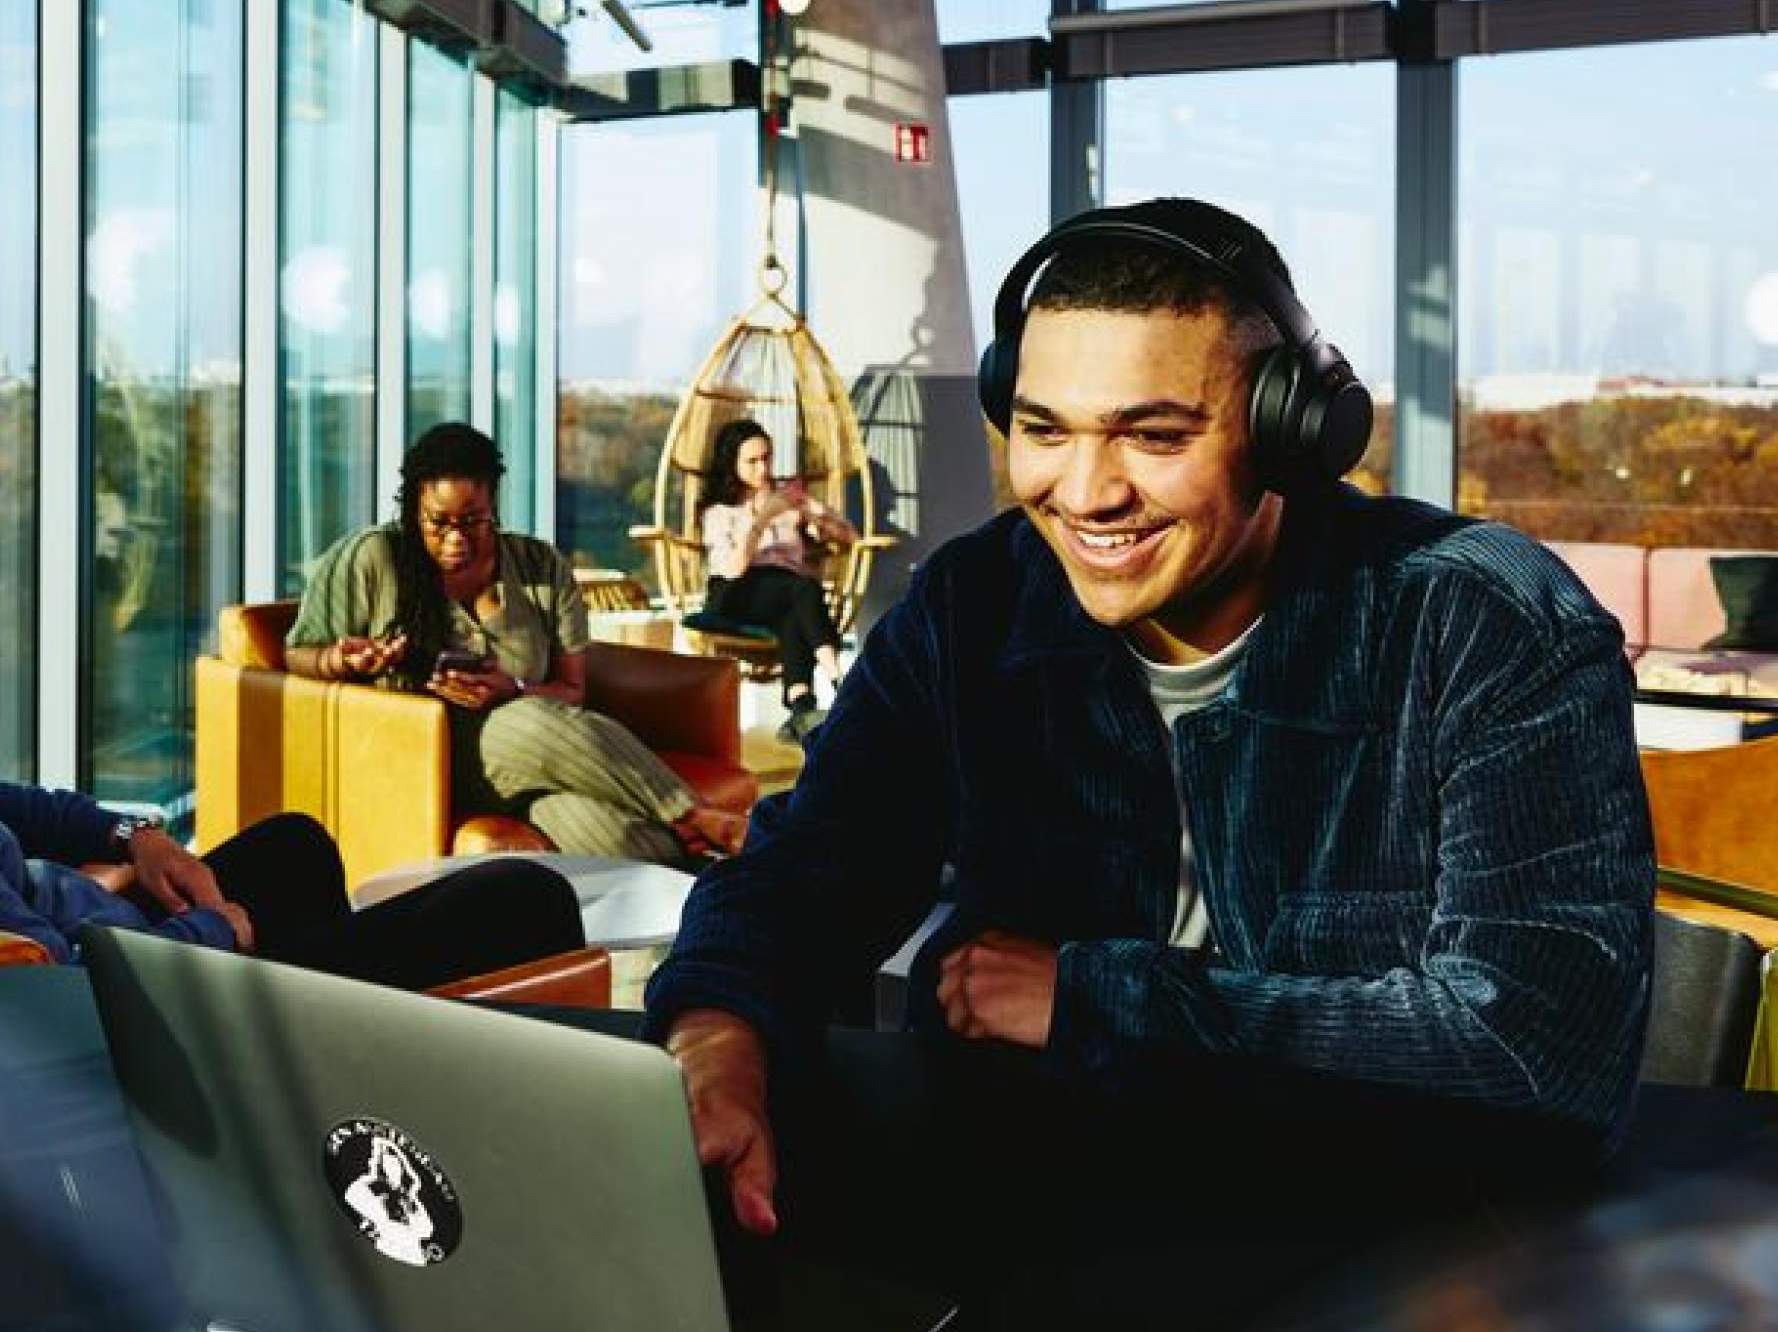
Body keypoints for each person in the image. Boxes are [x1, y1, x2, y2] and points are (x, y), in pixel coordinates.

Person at [645, 198, 1654, 1318]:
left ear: (1291, 431)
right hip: (1031, 1224)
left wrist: (1095, 998)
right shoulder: (974, 606)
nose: (1085, 493)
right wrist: (714, 1034)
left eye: (1156, 436)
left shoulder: (1485, 622)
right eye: (1045, 428)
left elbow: (1534, 1053)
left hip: (1378, 1253)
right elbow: (804, 873)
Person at [0, 437, 583, 990]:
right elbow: (66, 1002)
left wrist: (134, 834)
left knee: (296, 845)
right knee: (527, 894)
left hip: (136, 946)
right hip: (171, 1012)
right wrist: (216, 932)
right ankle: (321, 1042)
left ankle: (347, 1040)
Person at [285, 422, 746, 864]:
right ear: (412, 508)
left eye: (473, 520)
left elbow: (573, 691)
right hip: (425, 751)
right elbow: (295, 654)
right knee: (526, 721)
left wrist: (514, 689)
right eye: (438, 522)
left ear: (494, 506)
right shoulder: (373, 558)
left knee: (617, 837)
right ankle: (699, 816)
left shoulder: (539, 567)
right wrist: (339, 660)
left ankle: (715, 892)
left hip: (534, 760)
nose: (455, 538)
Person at [693, 418, 853, 740]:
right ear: (732, 464)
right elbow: (735, 568)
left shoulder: (789, 499)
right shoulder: (719, 512)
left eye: (766, 458)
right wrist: (764, 517)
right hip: (733, 593)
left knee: (793, 609)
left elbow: (850, 536)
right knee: (803, 590)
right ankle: (842, 682)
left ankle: (801, 707)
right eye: (751, 461)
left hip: (783, 592)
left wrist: (811, 515)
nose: (762, 468)